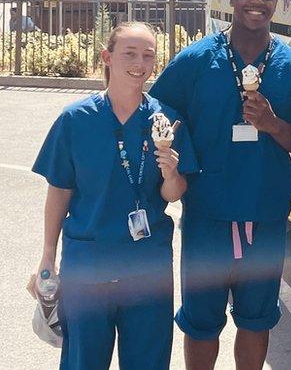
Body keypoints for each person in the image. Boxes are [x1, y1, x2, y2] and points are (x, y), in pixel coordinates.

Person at [150, 0, 291, 370]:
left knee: (256, 319)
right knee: (202, 321)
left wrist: (271, 123)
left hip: (264, 215)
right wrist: (180, 162)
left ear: (279, 3)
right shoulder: (196, 59)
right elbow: (158, 109)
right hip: (209, 214)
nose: (256, 2)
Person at [29, 22, 197, 369]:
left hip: (146, 267)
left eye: (148, 55)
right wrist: (48, 256)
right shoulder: (75, 120)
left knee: (147, 362)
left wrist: (171, 172)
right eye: (130, 53)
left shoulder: (165, 120)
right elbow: (60, 190)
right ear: (107, 57)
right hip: (88, 265)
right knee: (83, 361)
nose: (140, 63)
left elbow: (174, 194)